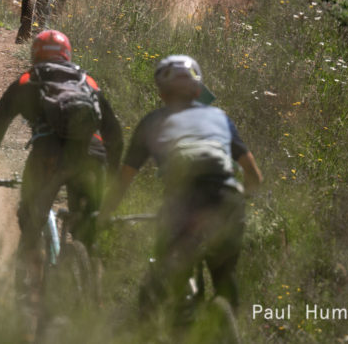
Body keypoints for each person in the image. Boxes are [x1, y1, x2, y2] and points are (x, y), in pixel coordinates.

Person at [99, 54, 262, 324]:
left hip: (183, 202)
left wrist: (105, 214)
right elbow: (253, 175)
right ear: (198, 90)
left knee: (163, 276)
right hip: (228, 200)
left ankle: (154, 329)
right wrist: (244, 200)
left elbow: (124, 179)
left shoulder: (152, 122)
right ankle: (227, 320)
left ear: (162, 93)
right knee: (225, 277)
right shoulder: (220, 118)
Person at [0, 30, 123, 318]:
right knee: (89, 230)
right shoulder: (87, 81)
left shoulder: (28, 80)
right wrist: (111, 175)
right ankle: (95, 303)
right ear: (67, 54)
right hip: (92, 158)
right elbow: (114, 134)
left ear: (35, 54)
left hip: (48, 158)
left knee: (31, 219)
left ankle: (27, 294)